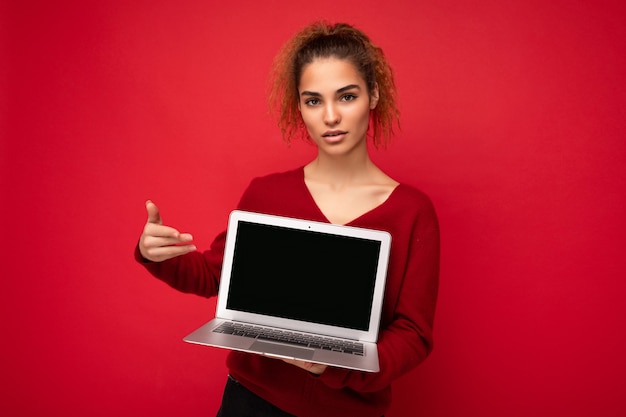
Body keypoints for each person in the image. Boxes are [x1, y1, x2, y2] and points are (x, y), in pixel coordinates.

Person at [135, 21, 440, 417]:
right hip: (252, 402)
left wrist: (335, 365)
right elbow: (215, 275)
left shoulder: (412, 212)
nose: (330, 116)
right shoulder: (267, 193)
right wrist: (160, 254)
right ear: (300, 107)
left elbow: (413, 335)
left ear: (373, 95)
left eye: (346, 96)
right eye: (313, 101)